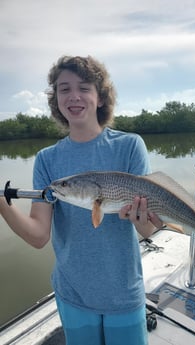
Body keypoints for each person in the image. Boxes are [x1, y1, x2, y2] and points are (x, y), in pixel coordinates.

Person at [0, 55, 162, 345]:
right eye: (64, 89)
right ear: (56, 100)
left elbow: (149, 229)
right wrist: (2, 205)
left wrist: (142, 219)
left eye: (84, 87)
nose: (74, 96)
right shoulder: (47, 159)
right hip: (72, 293)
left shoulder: (130, 146)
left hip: (123, 293)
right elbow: (39, 236)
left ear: (100, 97)